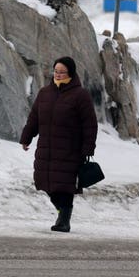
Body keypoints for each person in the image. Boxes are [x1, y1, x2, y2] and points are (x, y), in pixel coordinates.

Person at [19, 56, 98, 233]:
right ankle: (62, 212)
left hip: (69, 149)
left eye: (62, 72)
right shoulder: (45, 93)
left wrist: (87, 148)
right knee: (45, 182)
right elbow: (34, 118)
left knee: (64, 185)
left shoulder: (80, 95)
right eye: (56, 71)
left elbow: (90, 124)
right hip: (46, 148)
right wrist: (26, 137)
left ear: (70, 72)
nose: (59, 74)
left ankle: (64, 220)